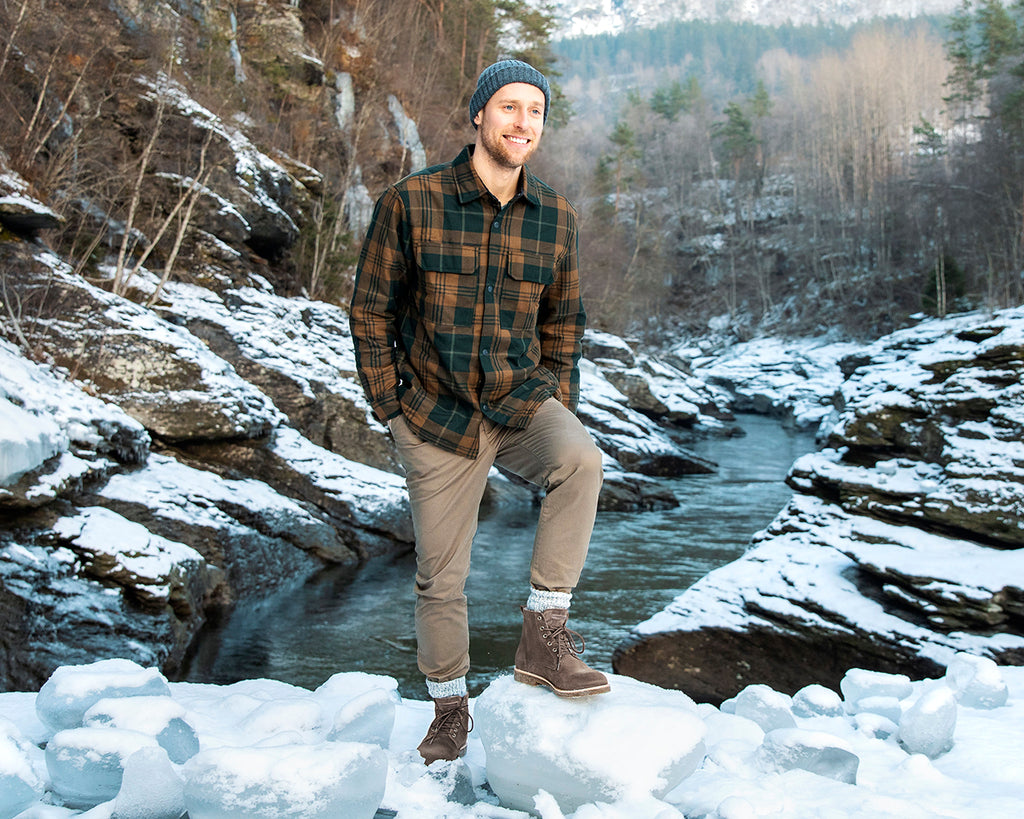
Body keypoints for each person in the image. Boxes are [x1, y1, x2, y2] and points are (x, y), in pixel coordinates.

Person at [349, 59, 608, 765]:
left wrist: (557, 401)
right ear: (478, 116)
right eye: (508, 107)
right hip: (435, 415)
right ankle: (450, 710)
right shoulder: (414, 202)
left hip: (521, 400)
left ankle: (543, 637)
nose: (522, 122)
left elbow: (564, 324)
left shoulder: (555, 215)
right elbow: (371, 311)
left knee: (582, 460)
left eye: (535, 111)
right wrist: (390, 409)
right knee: (443, 574)